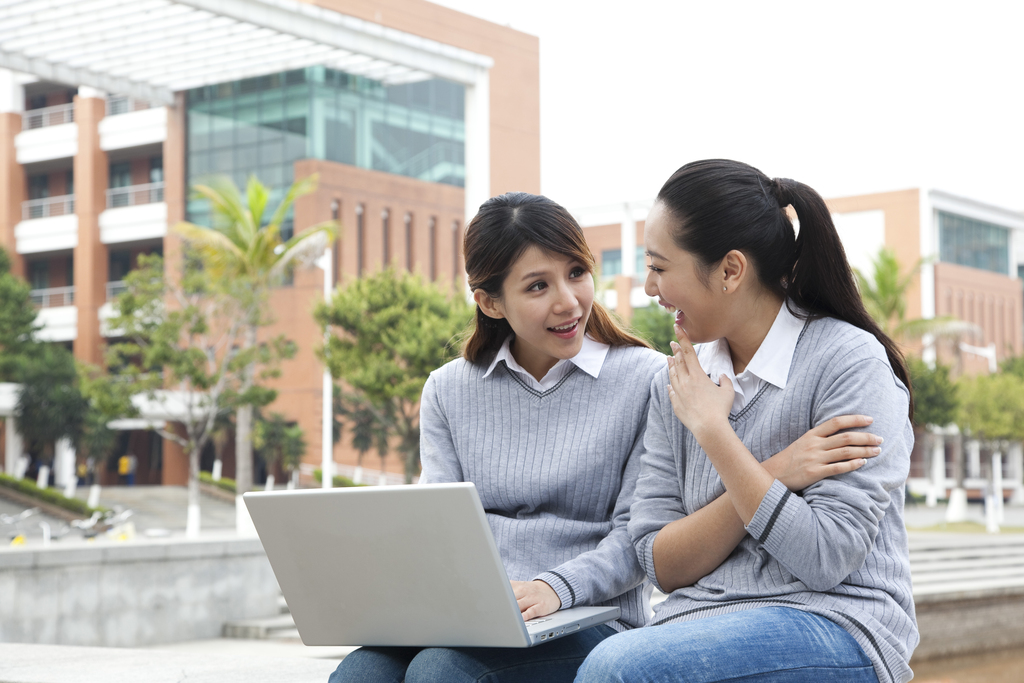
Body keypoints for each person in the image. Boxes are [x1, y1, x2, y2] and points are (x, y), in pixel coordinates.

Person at [329, 191, 883, 683]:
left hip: (584, 616)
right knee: (360, 673)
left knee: (441, 671)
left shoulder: (649, 377)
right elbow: (436, 529)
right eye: (538, 286)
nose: (569, 301)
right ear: (490, 302)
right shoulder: (448, 390)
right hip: (479, 614)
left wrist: (555, 588)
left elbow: (635, 547)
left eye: (577, 273)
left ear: (730, 270)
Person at [575, 160, 918, 683]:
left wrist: (715, 433)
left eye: (661, 267)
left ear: (731, 270)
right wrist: (778, 469)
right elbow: (661, 560)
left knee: (617, 669)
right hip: (697, 617)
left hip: (836, 621)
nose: (648, 286)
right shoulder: (677, 382)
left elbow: (826, 557)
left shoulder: (851, 364)